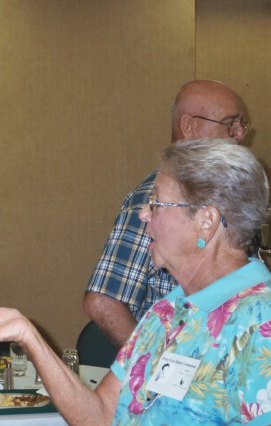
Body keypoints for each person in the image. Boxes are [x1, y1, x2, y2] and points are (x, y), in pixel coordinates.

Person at [0, 138, 271, 425]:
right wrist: (28, 336)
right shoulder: (166, 312)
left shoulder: (260, 325)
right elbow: (99, 416)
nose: (143, 214)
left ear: (206, 221)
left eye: (156, 203)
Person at [84, 80, 249, 348]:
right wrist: (150, 363)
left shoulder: (221, 196)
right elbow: (103, 301)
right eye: (229, 123)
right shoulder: (158, 203)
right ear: (190, 126)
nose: (239, 133)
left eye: (241, 124)